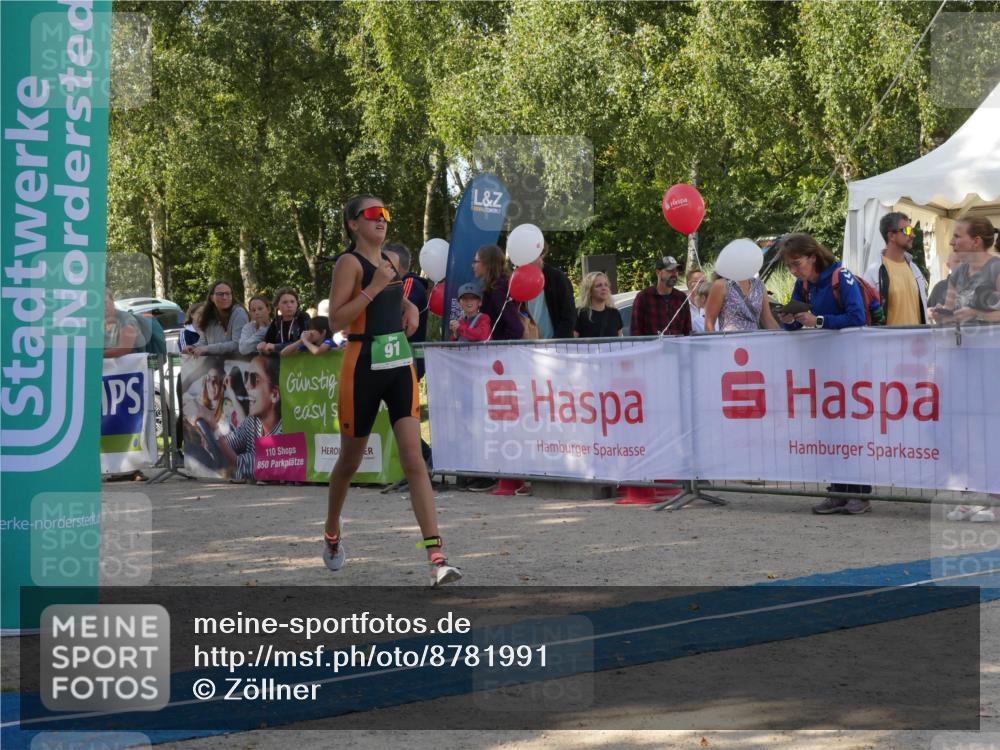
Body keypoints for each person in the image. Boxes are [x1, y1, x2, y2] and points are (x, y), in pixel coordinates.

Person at [324, 194, 461, 586]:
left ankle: (437, 556)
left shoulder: (388, 263)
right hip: (361, 364)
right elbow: (336, 319)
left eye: (386, 212)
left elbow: (393, 301)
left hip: (398, 363)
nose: (382, 219)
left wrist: (410, 307)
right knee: (348, 463)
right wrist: (372, 289)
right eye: (372, 214)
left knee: (413, 457)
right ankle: (332, 532)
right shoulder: (349, 264)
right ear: (353, 223)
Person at [776, 233, 871, 515]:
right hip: (822, 369)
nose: (794, 271)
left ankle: (859, 494)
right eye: (790, 266)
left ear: (812, 257)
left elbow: (857, 317)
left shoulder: (841, 276)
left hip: (850, 366)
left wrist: (817, 321)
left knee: (851, 429)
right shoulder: (802, 284)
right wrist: (789, 320)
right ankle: (837, 491)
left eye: (797, 264)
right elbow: (794, 326)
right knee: (828, 430)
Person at [930, 217, 1000, 326]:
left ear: (976, 241)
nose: (951, 242)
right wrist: (941, 317)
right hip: (963, 342)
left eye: (957, 236)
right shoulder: (957, 273)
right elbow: (950, 318)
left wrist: (977, 315)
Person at [862, 212, 928, 325]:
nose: (913, 235)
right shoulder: (873, 273)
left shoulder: (914, 269)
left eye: (912, 231)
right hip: (889, 342)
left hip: (918, 341)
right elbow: (867, 316)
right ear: (891, 236)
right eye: (907, 231)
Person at [629, 256, 692, 337]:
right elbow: (635, 331)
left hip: (677, 348)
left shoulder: (681, 298)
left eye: (676, 270)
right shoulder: (643, 297)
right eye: (670, 270)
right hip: (651, 348)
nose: (674, 274)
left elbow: (687, 330)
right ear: (658, 272)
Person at [524, 243, 576, 339]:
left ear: (541, 254)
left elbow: (569, 315)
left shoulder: (558, 278)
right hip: (531, 347)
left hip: (555, 346)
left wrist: (557, 343)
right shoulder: (520, 281)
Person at [183, 281, 248, 357]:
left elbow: (237, 344)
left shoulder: (239, 313)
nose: (224, 297)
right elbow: (204, 342)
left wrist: (207, 348)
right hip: (213, 365)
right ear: (212, 298)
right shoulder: (208, 316)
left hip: (236, 365)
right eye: (220, 294)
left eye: (228, 294)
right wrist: (193, 347)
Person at [473, 244, 524, 340]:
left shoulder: (499, 289)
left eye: (476, 261)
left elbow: (517, 328)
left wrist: (497, 347)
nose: (473, 265)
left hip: (500, 352)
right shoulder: (496, 286)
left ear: (487, 264)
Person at [704, 273, 780, 332]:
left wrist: (781, 338)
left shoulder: (759, 285)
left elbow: (767, 319)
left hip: (754, 342)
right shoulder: (721, 285)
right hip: (730, 344)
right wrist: (714, 346)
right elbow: (709, 321)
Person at [260, 287, 310, 354]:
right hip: (280, 359)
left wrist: (276, 347)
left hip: (301, 359)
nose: (289, 305)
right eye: (285, 302)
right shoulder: (276, 321)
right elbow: (268, 342)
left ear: (297, 304)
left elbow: (303, 343)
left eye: (292, 302)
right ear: (277, 305)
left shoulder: (303, 317)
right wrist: (263, 345)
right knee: (258, 360)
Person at [574, 271, 623, 337]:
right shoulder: (579, 314)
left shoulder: (614, 313)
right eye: (599, 285)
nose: (604, 288)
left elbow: (620, 343)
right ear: (589, 291)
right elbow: (574, 344)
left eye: (606, 285)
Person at [103, 290, 143, 357]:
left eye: (105, 303)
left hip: (134, 365)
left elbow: (123, 350)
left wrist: (95, 355)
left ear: (112, 302)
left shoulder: (126, 320)